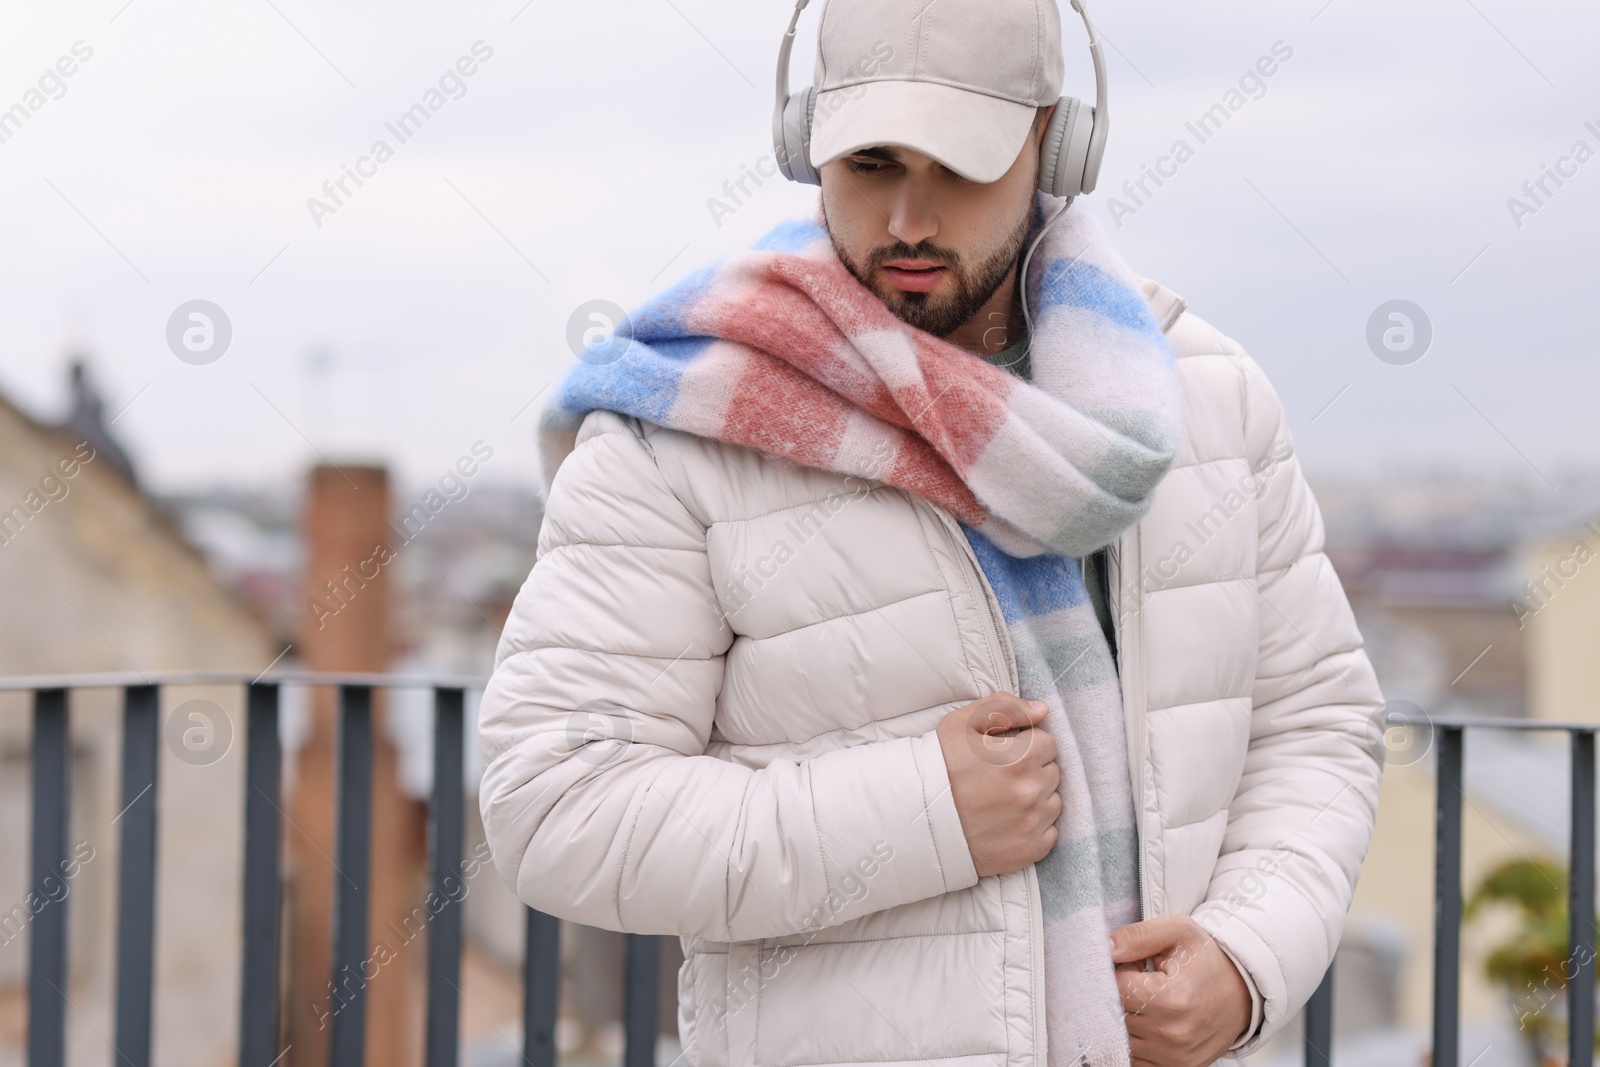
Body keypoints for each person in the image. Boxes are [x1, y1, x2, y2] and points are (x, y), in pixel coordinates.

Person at [478, 1, 1384, 1065]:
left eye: (958, 164)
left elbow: (1315, 721)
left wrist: (1245, 960)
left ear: (1056, 139)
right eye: (869, 162)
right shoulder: (680, 424)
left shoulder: (1207, 402)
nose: (908, 217)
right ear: (803, 144)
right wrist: (925, 809)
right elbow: (555, 802)